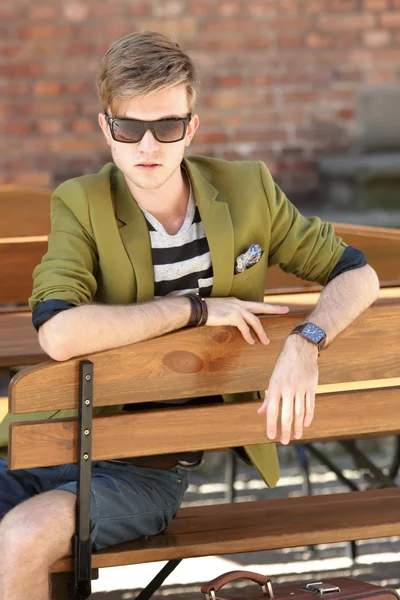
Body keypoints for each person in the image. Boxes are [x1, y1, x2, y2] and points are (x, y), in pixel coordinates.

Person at [0, 30, 378, 599]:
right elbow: (58, 331)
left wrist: (306, 342)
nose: (147, 146)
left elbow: (357, 272)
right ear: (107, 129)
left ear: (191, 127)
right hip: (51, 444)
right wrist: (193, 309)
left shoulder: (247, 191)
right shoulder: (80, 202)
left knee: (25, 536)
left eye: (167, 127)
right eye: (130, 128)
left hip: (144, 470)